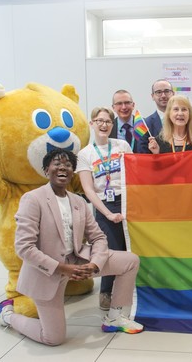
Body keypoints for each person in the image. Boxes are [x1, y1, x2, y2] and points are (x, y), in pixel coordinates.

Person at [0, 149, 143, 346]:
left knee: (130, 261)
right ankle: (6, 315)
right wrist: (62, 268)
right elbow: (24, 247)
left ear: (72, 172)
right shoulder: (33, 199)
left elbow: (98, 237)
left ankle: (115, 318)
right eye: (57, 163)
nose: (63, 167)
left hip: (77, 259)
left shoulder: (79, 202)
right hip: (48, 270)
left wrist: (95, 265)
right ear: (47, 170)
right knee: (53, 338)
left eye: (68, 165)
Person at [76, 107, 132, 311]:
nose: (104, 125)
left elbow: (134, 175)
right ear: (92, 123)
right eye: (99, 121)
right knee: (109, 251)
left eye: (108, 121)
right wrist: (107, 213)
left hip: (126, 201)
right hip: (103, 205)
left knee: (129, 248)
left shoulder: (122, 145)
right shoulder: (85, 154)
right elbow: (88, 190)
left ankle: (128, 292)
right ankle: (106, 292)